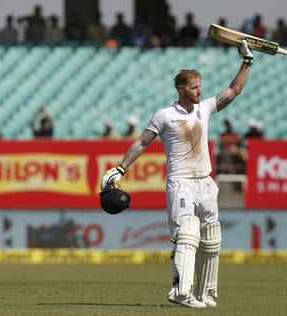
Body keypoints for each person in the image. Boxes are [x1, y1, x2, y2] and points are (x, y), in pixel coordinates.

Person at [100, 40, 254, 308]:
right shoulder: (164, 115)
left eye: (199, 86)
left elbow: (233, 90)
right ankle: (180, 292)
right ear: (181, 88)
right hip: (181, 183)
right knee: (187, 234)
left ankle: (207, 293)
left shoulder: (204, 108)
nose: (199, 91)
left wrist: (246, 62)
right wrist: (121, 168)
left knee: (211, 237)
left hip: (206, 182)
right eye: (194, 87)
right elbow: (142, 143)